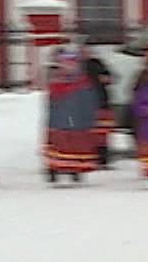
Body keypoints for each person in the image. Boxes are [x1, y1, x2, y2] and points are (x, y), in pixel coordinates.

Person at [43, 47, 101, 184]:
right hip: (59, 122)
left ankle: (75, 169)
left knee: (76, 146)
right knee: (58, 146)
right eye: (66, 63)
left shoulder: (84, 82)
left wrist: (89, 118)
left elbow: (90, 102)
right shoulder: (56, 81)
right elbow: (52, 102)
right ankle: (54, 169)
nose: (69, 66)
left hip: (78, 121)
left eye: (72, 63)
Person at [82, 53, 115, 168]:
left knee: (98, 134)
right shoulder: (91, 67)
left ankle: (98, 157)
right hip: (98, 106)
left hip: (98, 107)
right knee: (99, 135)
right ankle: (99, 158)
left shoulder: (88, 66)